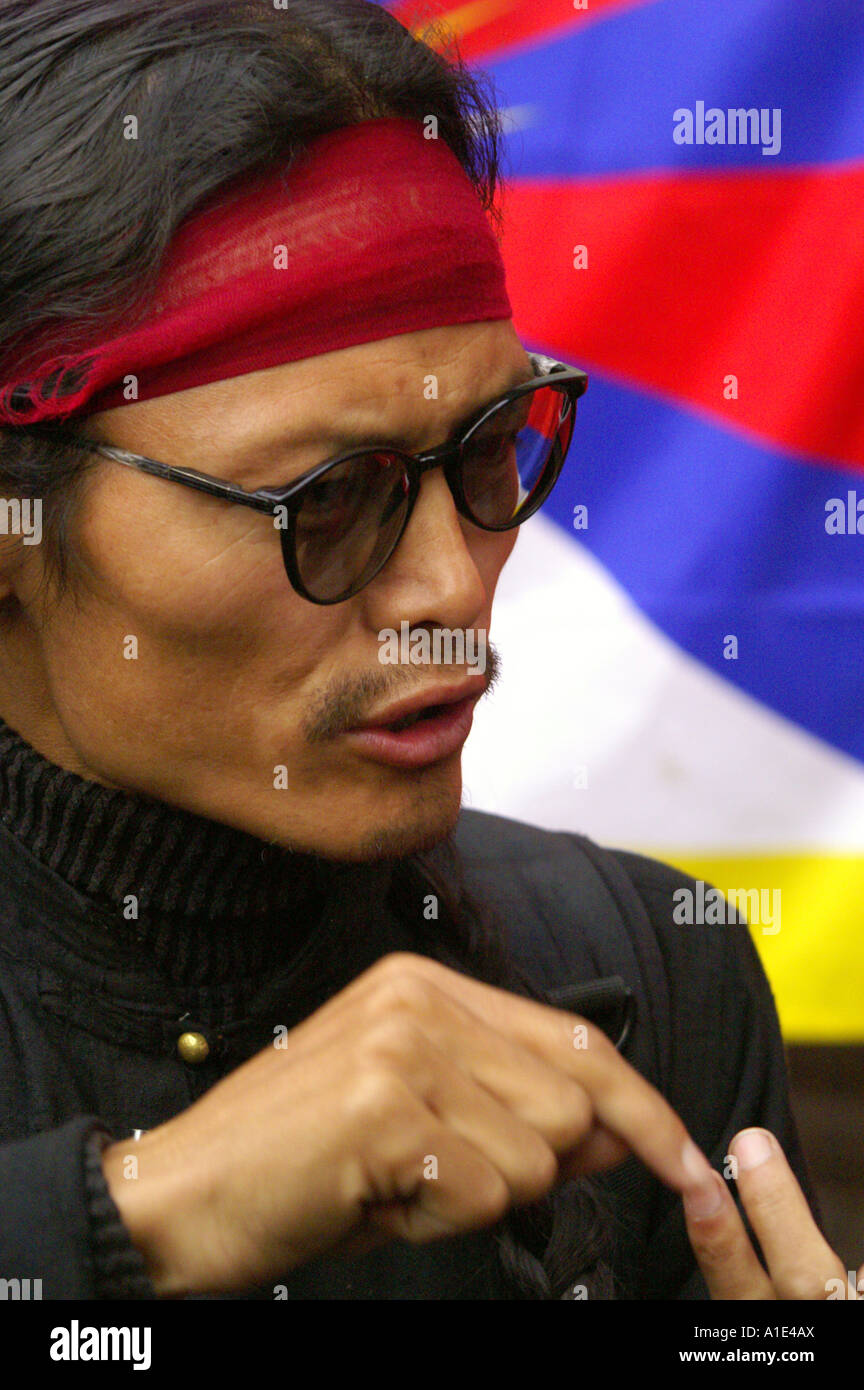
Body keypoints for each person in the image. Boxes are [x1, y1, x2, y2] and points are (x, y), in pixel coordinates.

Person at [0, 0, 841, 1301]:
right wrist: (138, 1219)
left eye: (496, 445)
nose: (450, 584)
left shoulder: (645, 970)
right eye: (327, 499)